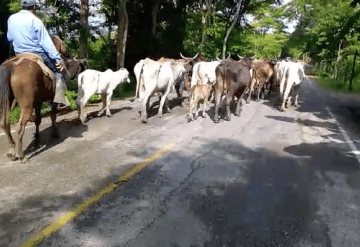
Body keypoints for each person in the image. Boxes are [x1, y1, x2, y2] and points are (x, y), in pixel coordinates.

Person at [7, 0, 69, 106]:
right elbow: (45, 42)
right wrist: (58, 58)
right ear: (34, 7)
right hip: (36, 53)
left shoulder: (11, 18)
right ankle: (60, 98)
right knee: (58, 72)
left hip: (18, 53)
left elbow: (10, 37)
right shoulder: (35, 20)